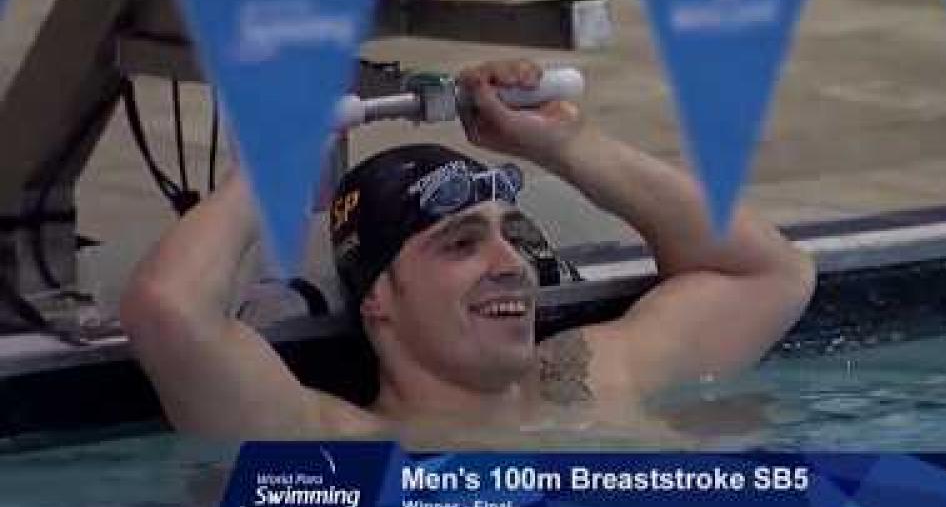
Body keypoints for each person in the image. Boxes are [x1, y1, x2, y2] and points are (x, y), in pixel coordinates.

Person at [120, 59, 816, 442]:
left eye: (509, 235)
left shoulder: (590, 374)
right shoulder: (335, 445)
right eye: (460, 244)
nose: (509, 263)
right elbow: (169, 310)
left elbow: (770, 272)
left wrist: (567, 145)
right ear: (378, 301)